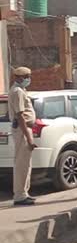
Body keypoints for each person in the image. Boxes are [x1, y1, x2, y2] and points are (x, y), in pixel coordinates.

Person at [8, 67, 36, 206]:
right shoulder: (17, 91)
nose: (28, 79)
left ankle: (24, 193)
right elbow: (20, 115)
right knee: (21, 164)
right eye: (27, 76)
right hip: (21, 130)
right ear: (19, 77)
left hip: (24, 129)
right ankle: (19, 196)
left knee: (26, 164)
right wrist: (29, 138)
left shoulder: (21, 90)